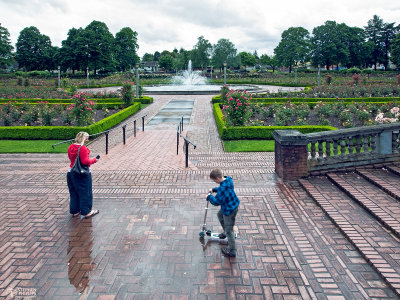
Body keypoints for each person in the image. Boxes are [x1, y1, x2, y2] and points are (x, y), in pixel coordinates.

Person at [207, 169, 240, 257]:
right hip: (233, 204)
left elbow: (217, 202)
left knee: (230, 231)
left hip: (229, 210)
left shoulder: (223, 189)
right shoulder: (228, 180)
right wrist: (214, 189)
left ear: (217, 178)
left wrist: (209, 196)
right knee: (219, 215)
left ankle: (232, 250)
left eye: (214, 180)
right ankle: (226, 232)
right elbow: (222, 188)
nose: (214, 182)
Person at [67, 131, 100, 219]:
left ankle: (75, 211)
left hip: (71, 172)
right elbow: (85, 161)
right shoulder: (82, 148)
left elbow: (71, 158)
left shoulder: (71, 146)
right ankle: (87, 211)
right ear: (84, 138)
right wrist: (94, 160)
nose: (87, 140)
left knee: (74, 192)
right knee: (85, 192)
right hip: (82, 173)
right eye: (87, 138)